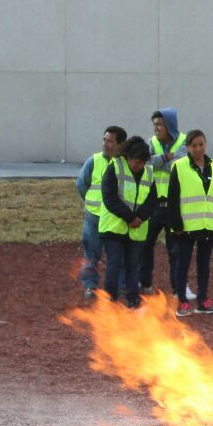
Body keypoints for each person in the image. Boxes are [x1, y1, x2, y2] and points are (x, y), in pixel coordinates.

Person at [167, 130, 213, 317]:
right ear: (187, 148)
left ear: (205, 144)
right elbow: (173, 197)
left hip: (208, 224)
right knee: (182, 264)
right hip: (185, 227)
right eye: (194, 146)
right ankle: (182, 302)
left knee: (204, 264)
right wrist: (176, 224)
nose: (198, 149)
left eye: (201, 144)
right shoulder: (179, 166)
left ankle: (203, 300)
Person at [98, 136, 156, 309]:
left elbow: (152, 200)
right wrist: (130, 218)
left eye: (142, 163)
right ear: (128, 158)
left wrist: (140, 217)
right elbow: (109, 198)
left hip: (136, 230)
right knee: (114, 264)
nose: (139, 166)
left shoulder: (149, 173)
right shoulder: (114, 168)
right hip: (114, 228)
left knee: (133, 266)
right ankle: (111, 298)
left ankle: (133, 299)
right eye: (136, 162)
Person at [76, 126, 126, 300]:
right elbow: (81, 184)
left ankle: (120, 286)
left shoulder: (124, 164)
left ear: (120, 144)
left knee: (118, 256)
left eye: (110, 141)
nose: (106, 144)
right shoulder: (94, 161)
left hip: (115, 219)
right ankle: (90, 286)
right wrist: (91, 204)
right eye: (104, 140)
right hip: (95, 218)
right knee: (91, 254)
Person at [142, 108, 188, 297]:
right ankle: (144, 284)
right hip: (153, 205)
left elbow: (181, 164)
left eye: (159, 124)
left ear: (169, 125)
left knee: (175, 250)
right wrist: (165, 158)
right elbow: (145, 164)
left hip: (173, 206)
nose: (156, 128)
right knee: (145, 245)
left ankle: (178, 289)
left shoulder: (184, 141)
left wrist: (160, 162)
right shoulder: (151, 143)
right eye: (154, 124)